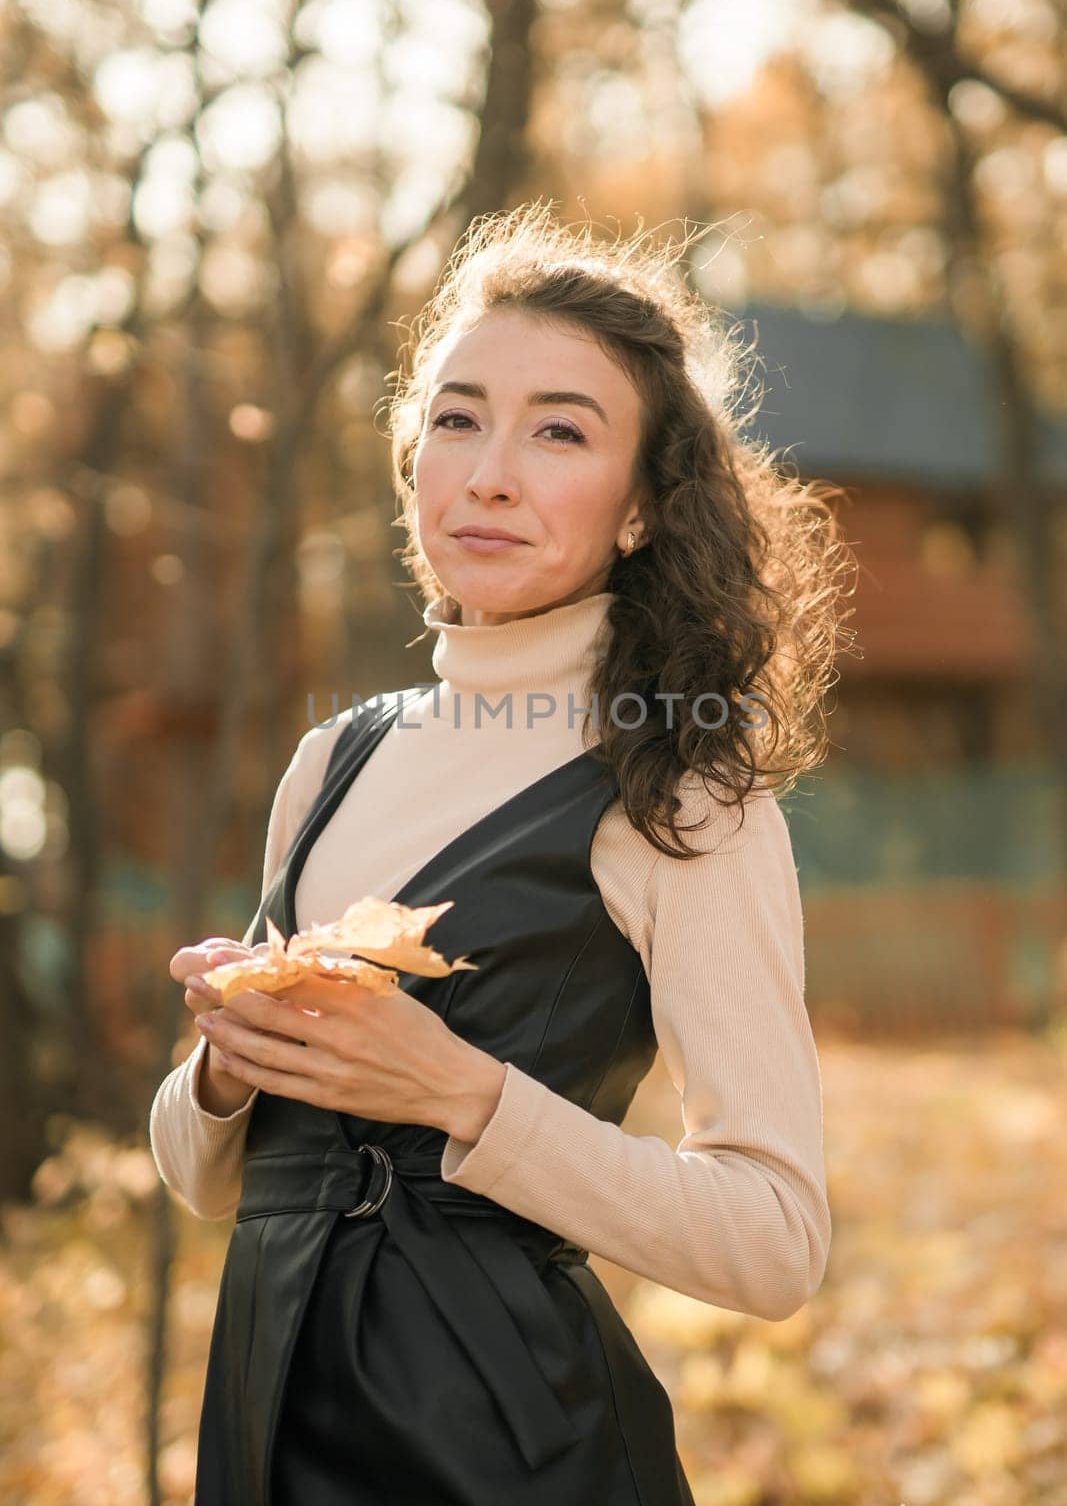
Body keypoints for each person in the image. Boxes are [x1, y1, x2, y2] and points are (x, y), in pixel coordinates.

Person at [149, 201, 852, 1506]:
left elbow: (778, 1244)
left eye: (561, 433)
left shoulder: (681, 791)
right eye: (459, 418)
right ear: (412, 456)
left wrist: (466, 1095)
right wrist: (225, 1065)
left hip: (508, 1453)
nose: (489, 474)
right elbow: (206, 1183)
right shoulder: (334, 761)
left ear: (643, 509)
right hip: (261, 1412)